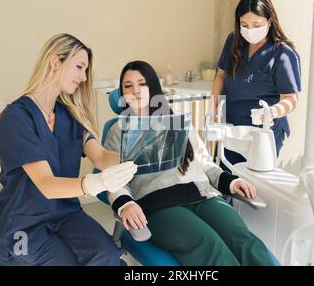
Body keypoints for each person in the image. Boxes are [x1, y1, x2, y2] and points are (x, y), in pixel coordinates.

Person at [104, 60, 279, 266]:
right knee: (211, 246)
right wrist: (126, 205)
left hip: (203, 196)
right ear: (122, 94)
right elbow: (113, 181)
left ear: (153, 87)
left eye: (142, 83)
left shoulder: (177, 121)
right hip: (159, 206)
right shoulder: (118, 132)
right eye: (128, 86)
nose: (135, 90)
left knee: (245, 241)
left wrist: (229, 182)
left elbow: (203, 162)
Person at [0, 33, 137, 266]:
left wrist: (144, 153)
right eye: (79, 67)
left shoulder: (70, 116)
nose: (83, 77)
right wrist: (94, 184)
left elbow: (100, 157)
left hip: (65, 214)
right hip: (24, 226)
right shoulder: (15, 118)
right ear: (54, 61)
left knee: (109, 256)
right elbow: (47, 185)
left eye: (86, 70)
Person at [212, 0, 302, 169]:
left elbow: (290, 98)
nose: (249, 31)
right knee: (226, 178)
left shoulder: (283, 54)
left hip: (262, 133)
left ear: (269, 21)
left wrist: (272, 112)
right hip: (230, 127)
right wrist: (213, 108)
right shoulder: (234, 41)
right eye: (244, 24)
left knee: (254, 185)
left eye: (256, 24)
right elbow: (221, 76)